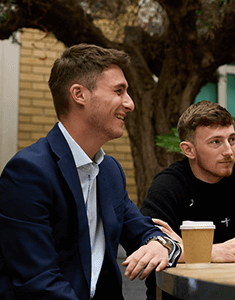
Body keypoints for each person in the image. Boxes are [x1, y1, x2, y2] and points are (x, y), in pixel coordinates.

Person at [0, 44, 180, 300]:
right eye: (119, 91)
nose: (130, 104)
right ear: (79, 94)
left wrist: (160, 245)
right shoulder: (28, 172)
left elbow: (144, 231)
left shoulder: (110, 171)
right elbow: (38, 282)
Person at [140, 100, 235, 299]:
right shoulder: (169, 184)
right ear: (188, 150)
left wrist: (182, 248)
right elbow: (149, 247)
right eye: (215, 142)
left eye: (232, 139)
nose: (229, 151)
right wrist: (215, 252)